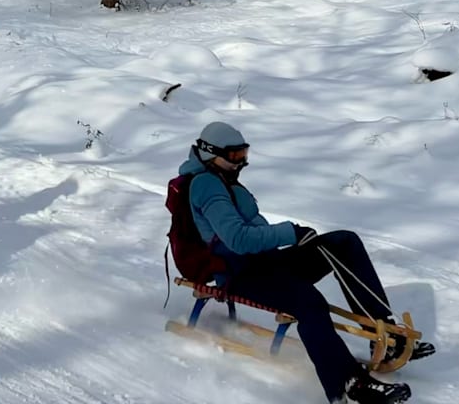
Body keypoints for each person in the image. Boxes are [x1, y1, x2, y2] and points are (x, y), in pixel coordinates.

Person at [180, 122, 434, 404]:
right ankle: (347, 384)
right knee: (308, 301)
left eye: (244, 154)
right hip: (242, 274)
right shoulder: (206, 184)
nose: (241, 162)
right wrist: (290, 232)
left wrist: (292, 236)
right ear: (209, 153)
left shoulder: (223, 177)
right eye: (235, 155)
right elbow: (237, 239)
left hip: (267, 262)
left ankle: (385, 334)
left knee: (343, 243)